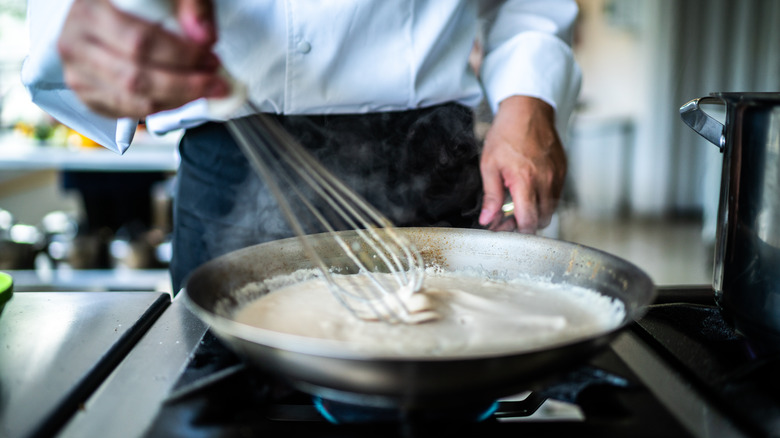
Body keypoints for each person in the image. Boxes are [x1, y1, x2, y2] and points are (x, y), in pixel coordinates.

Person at [23, 0, 581, 292]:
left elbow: (529, 4)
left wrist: (529, 95)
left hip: (430, 161)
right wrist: (92, 24)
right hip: (235, 164)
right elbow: (83, 16)